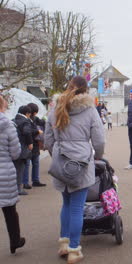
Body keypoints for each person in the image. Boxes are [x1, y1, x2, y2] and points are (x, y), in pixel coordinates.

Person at [44, 75, 105, 264]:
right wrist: (97, 156)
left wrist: (57, 156)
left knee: (66, 204)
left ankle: (64, 243)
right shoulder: (90, 110)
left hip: (61, 159)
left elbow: (47, 140)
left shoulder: (55, 108)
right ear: (85, 90)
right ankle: (73, 250)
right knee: (78, 207)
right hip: (81, 161)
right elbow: (99, 140)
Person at [0, 95, 26, 254]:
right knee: (9, 210)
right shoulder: (7, 125)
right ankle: (15, 241)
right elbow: (16, 153)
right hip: (5, 172)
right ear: (3, 105)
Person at [22, 103, 46, 189]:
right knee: (28, 164)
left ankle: (34, 180)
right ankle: (25, 182)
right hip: (29, 144)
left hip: (34, 144)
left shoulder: (35, 119)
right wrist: (37, 131)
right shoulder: (25, 120)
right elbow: (28, 131)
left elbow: (43, 122)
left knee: (35, 163)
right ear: (34, 112)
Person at [12, 106, 33, 196]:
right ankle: (18, 189)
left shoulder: (13, 120)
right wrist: (30, 143)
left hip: (12, 147)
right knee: (20, 169)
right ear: (27, 113)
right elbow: (27, 132)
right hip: (22, 148)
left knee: (13, 170)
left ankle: (12, 189)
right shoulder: (25, 121)